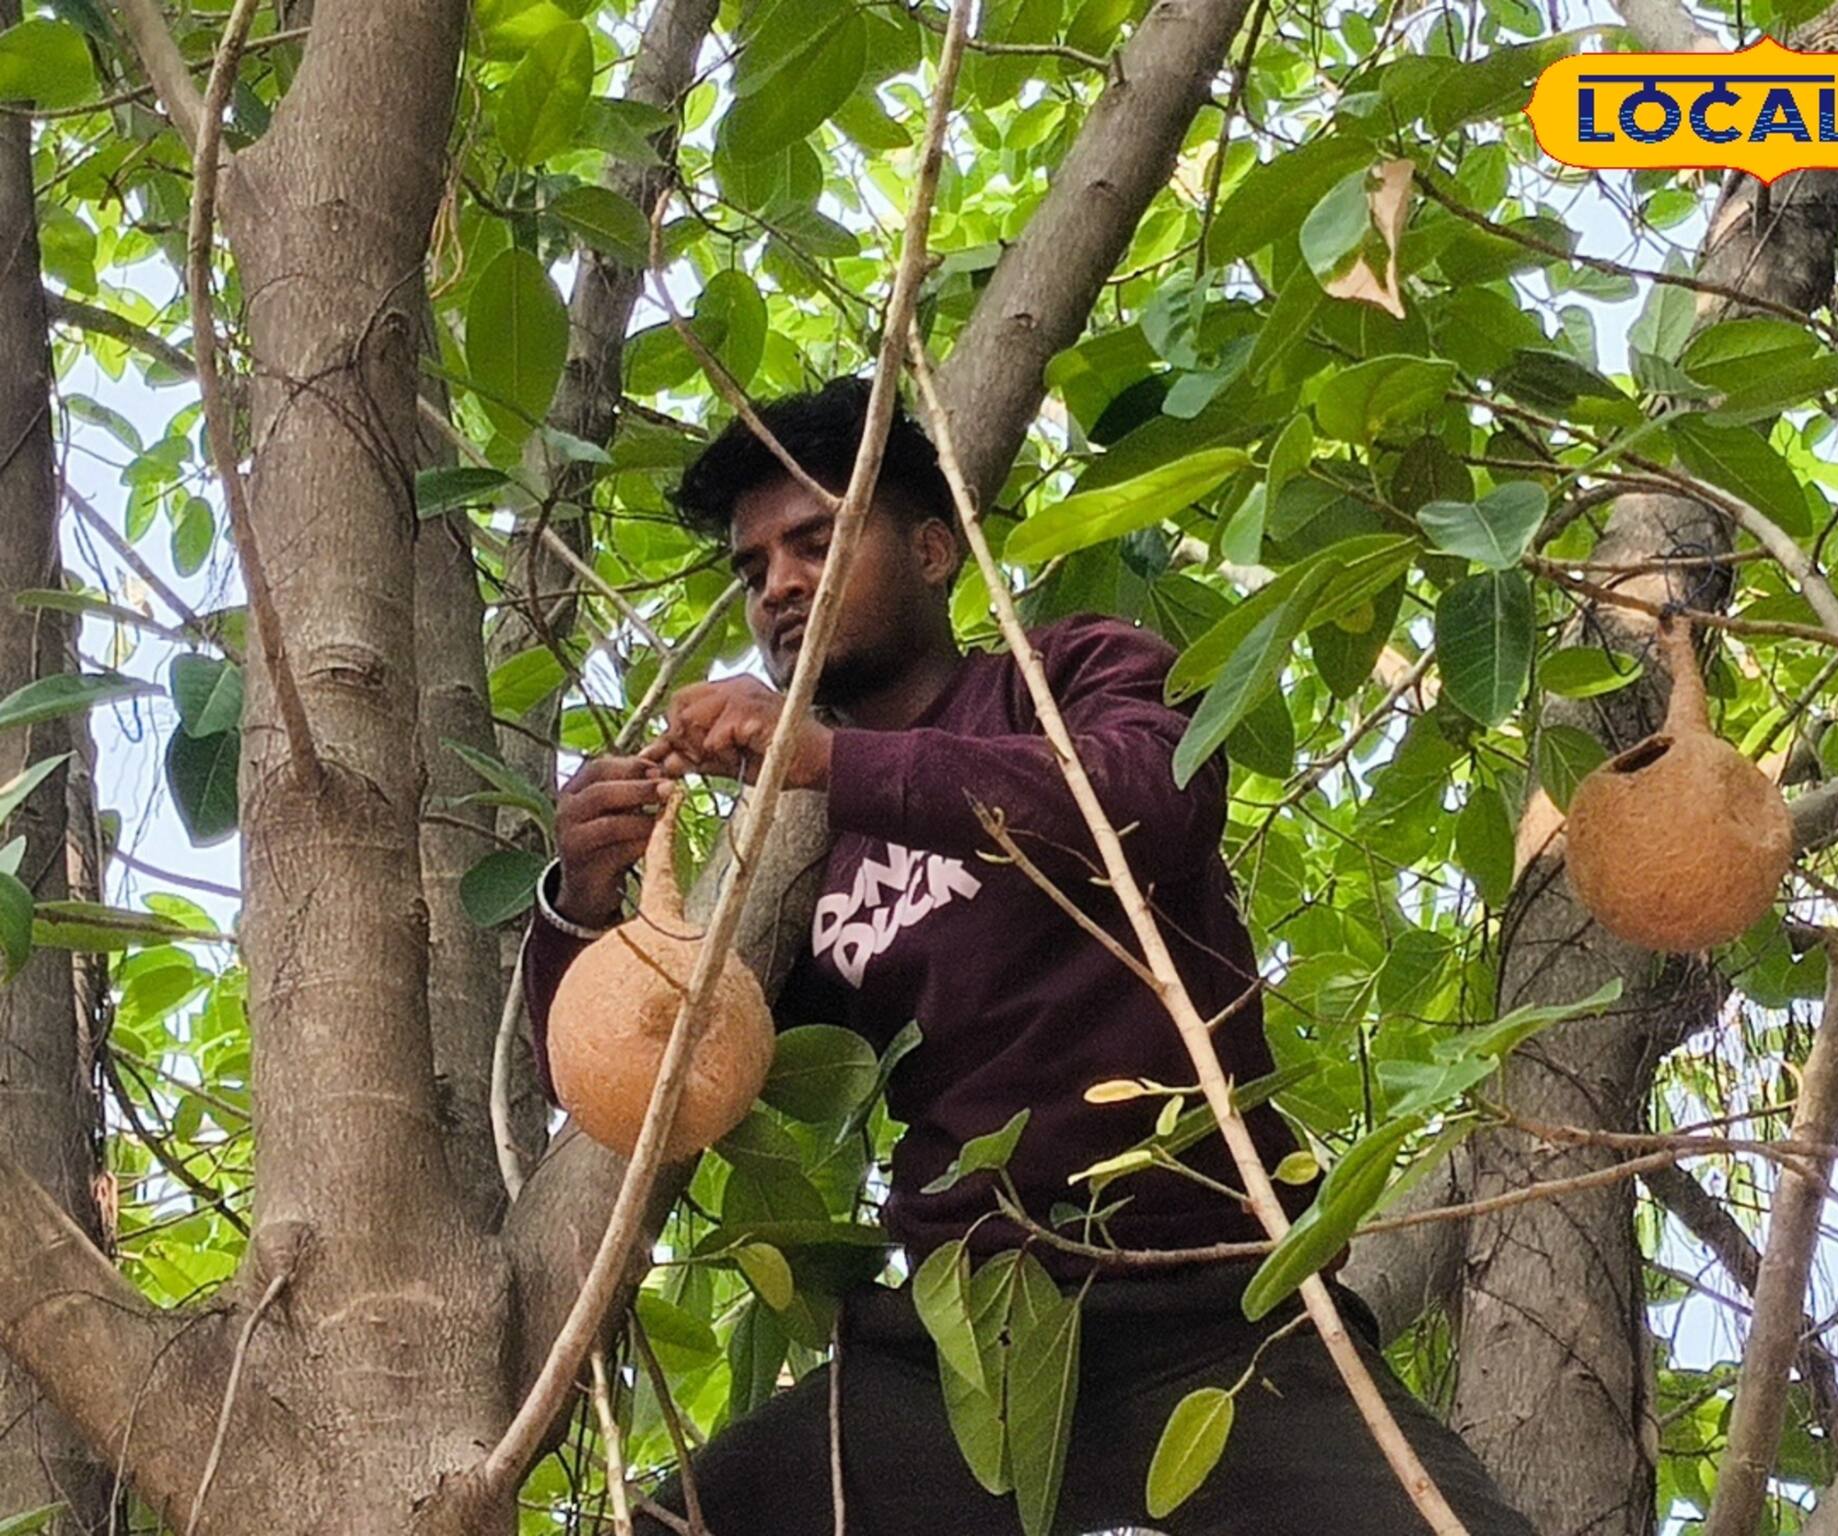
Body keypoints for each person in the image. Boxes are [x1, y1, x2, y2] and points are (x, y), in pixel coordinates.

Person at [520, 377, 1535, 1536]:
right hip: (968, 1350)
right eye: (754, 572)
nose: (779, 588)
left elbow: (1146, 804)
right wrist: (587, 898)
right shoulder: (802, 861)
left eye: (814, 541)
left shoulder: (1067, 673)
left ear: (934, 551)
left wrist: (824, 763)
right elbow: (664, 1083)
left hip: (1222, 1312)